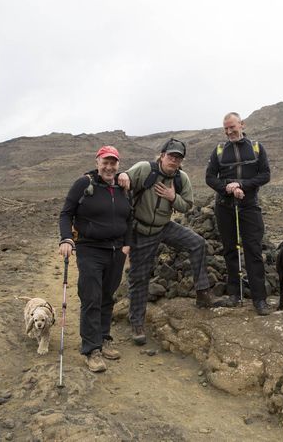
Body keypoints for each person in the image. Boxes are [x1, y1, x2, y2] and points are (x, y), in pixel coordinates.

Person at [117, 138, 216, 345]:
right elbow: (123, 177)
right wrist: (124, 175)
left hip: (164, 227)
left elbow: (187, 206)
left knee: (197, 243)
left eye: (178, 157)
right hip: (141, 231)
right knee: (139, 278)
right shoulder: (146, 169)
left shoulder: (182, 178)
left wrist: (173, 197)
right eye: (171, 156)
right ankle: (137, 322)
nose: (174, 160)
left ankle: (202, 292)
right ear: (162, 155)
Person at [58, 145, 132, 373]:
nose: (109, 167)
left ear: (118, 164)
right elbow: (66, 213)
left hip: (116, 250)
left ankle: (104, 337)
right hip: (90, 249)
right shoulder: (84, 184)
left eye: (113, 163)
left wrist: (127, 244)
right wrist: (66, 238)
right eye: (105, 162)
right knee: (91, 296)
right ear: (97, 162)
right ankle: (92, 349)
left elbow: (129, 217)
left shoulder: (122, 186)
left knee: (107, 296)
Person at [205, 112, 271, 316]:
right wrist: (228, 188)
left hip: (249, 206)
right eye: (225, 128)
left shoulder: (257, 148)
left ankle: (260, 299)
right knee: (230, 250)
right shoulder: (218, 150)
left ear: (242, 125)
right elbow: (209, 178)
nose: (229, 131)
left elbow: (265, 175)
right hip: (224, 206)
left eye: (232, 127)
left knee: (253, 250)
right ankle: (234, 294)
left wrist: (242, 185)